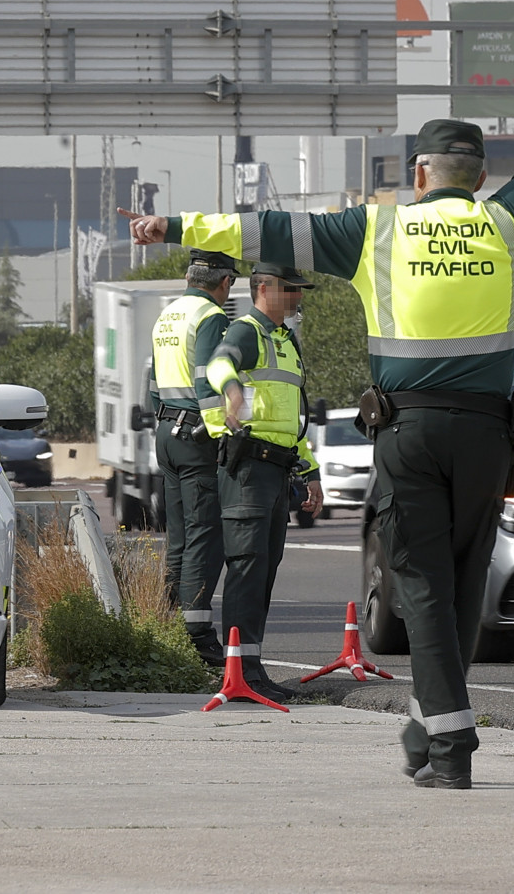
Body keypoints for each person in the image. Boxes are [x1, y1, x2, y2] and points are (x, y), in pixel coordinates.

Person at [120, 20, 514, 784]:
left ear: (421, 172)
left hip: (409, 434)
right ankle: (426, 725)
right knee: (465, 581)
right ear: (476, 176)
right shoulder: (509, 222)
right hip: (488, 436)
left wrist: (168, 226)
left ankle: (450, 743)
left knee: (422, 581)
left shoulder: (376, 231)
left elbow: (262, 227)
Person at [202, 263, 323, 703]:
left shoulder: (284, 341)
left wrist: (310, 472)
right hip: (249, 468)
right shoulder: (248, 331)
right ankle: (239, 675)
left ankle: (250, 670)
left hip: (277, 468)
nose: (297, 298)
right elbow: (218, 363)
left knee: (263, 571)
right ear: (263, 288)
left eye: (300, 290)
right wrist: (233, 392)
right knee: (248, 568)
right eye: (290, 290)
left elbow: (291, 421)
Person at [149, 248, 239, 667]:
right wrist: (224, 432)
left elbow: (152, 384)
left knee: (180, 535)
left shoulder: (167, 315)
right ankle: (197, 635)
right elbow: (207, 378)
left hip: (166, 431)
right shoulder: (211, 317)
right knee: (205, 533)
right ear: (224, 283)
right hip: (195, 433)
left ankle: (166, 623)